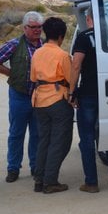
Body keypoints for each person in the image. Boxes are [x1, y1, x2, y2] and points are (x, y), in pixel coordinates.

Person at [69, 7, 108, 193]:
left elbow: (76, 64)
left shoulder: (85, 37)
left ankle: (91, 182)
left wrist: (72, 91)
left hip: (88, 94)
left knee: (87, 138)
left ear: (88, 19)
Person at [0, 11, 44, 183]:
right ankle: (13, 168)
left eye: (39, 27)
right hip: (19, 96)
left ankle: (35, 166)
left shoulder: (45, 46)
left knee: (37, 133)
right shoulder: (14, 44)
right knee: (16, 133)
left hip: (39, 96)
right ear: (24, 27)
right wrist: (10, 73)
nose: (37, 30)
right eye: (33, 27)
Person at [30, 17, 73, 194]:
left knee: (44, 140)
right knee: (60, 141)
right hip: (57, 100)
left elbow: (33, 78)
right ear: (61, 36)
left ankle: (39, 179)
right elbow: (71, 80)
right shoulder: (62, 55)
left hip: (39, 100)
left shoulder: (37, 53)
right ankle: (50, 181)